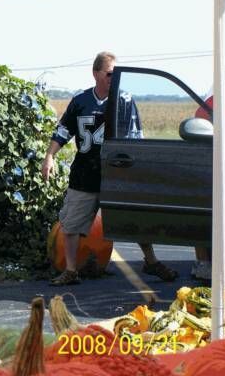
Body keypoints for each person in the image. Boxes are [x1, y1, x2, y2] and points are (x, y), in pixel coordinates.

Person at [42, 51, 179, 286]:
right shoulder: (80, 101)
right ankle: (71, 270)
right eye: (108, 73)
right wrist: (49, 157)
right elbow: (63, 131)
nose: (112, 78)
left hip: (118, 173)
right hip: (85, 172)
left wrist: (140, 170)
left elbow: (136, 137)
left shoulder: (124, 101)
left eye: (116, 74)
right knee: (72, 223)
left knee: (135, 218)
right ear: (95, 73)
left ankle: (151, 261)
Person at [191, 66, 225, 281]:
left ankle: (204, 263)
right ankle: (205, 262)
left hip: (220, 171)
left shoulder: (211, 104)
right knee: (204, 214)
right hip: (216, 171)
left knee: (203, 215)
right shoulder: (214, 105)